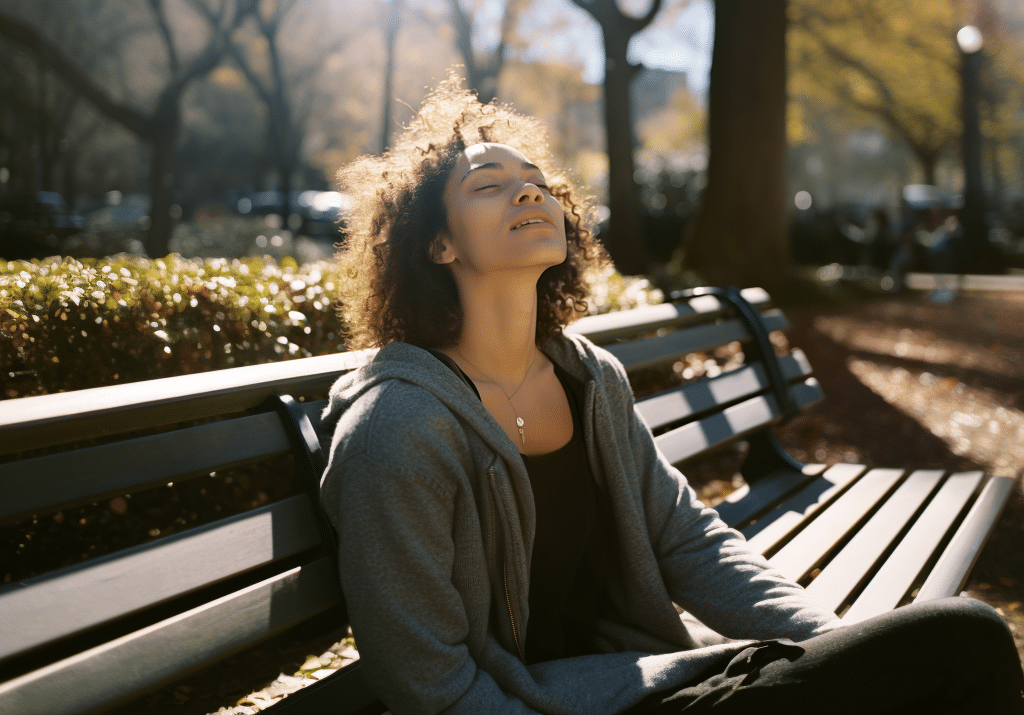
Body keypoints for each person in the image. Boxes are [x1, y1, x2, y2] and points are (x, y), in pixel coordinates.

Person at [319, 74, 1024, 714]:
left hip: (664, 677)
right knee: (968, 638)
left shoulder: (589, 377)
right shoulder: (398, 429)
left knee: (951, 647)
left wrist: (835, 645)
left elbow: (686, 538)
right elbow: (431, 685)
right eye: (488, 185)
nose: (529, 190)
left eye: (535, 178)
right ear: (438, 245)